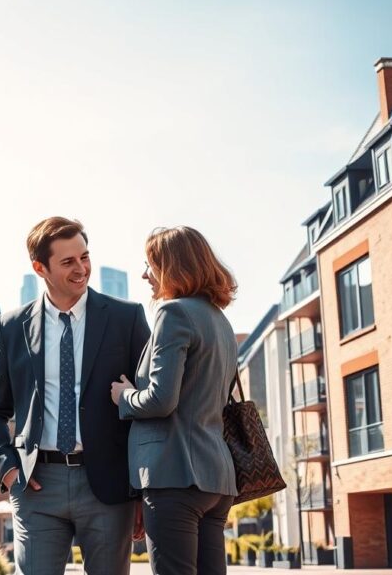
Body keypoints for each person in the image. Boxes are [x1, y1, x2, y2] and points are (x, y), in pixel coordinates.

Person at [0, 217, 150, 575]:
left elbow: (147, 407)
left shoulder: (126, 318)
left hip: (108, 483)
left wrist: (139, 491)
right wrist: (9, 471)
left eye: (85, 257)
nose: (81, 269)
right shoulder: (11, 326)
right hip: (38, 484)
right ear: (40, 267)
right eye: (68, 262)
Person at [110, 226, 239, 575]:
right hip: (216, 479)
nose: (144, 274)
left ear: (173, 267)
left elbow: (161, 400)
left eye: (151, 264)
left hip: (174, 473)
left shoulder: (173, 313)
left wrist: (124, 396)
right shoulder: (220, 321)